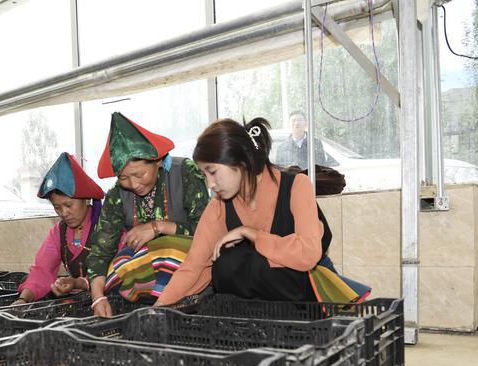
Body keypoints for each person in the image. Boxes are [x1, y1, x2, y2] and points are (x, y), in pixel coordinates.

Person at [156, 117, 370, 306]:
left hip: (306, 302)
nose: (210, 184)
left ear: (240, 162)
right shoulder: (219, 205)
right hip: (257, 313)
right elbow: (194, 265)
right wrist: (158, 309)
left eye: (212, 172)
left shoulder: (297, 185)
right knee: (225, 263)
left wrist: (250, 233)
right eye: (205, 176)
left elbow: (307, 255)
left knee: (243, 260)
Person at [86, 112, 210, 317]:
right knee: (119, 263)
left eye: (139, 174)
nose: (133, 184)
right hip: (145, 288)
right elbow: (100, 253)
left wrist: (158, 227)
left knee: (170, 248)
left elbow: (208, 232)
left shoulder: (185, 172)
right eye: (123, 178)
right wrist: (98, 298)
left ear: (158, 161)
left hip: (192, 281)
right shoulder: (117, 195)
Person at [13, 153, 105, 305]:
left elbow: (117, 270)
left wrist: (78, 283)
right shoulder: (59, 232)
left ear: (86, 199)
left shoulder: (106, 225)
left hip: (108, 301)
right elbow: (43, 270)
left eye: (68, 205)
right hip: (81, 304)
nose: (64, 213)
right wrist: (23, 300)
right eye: (57, 207)